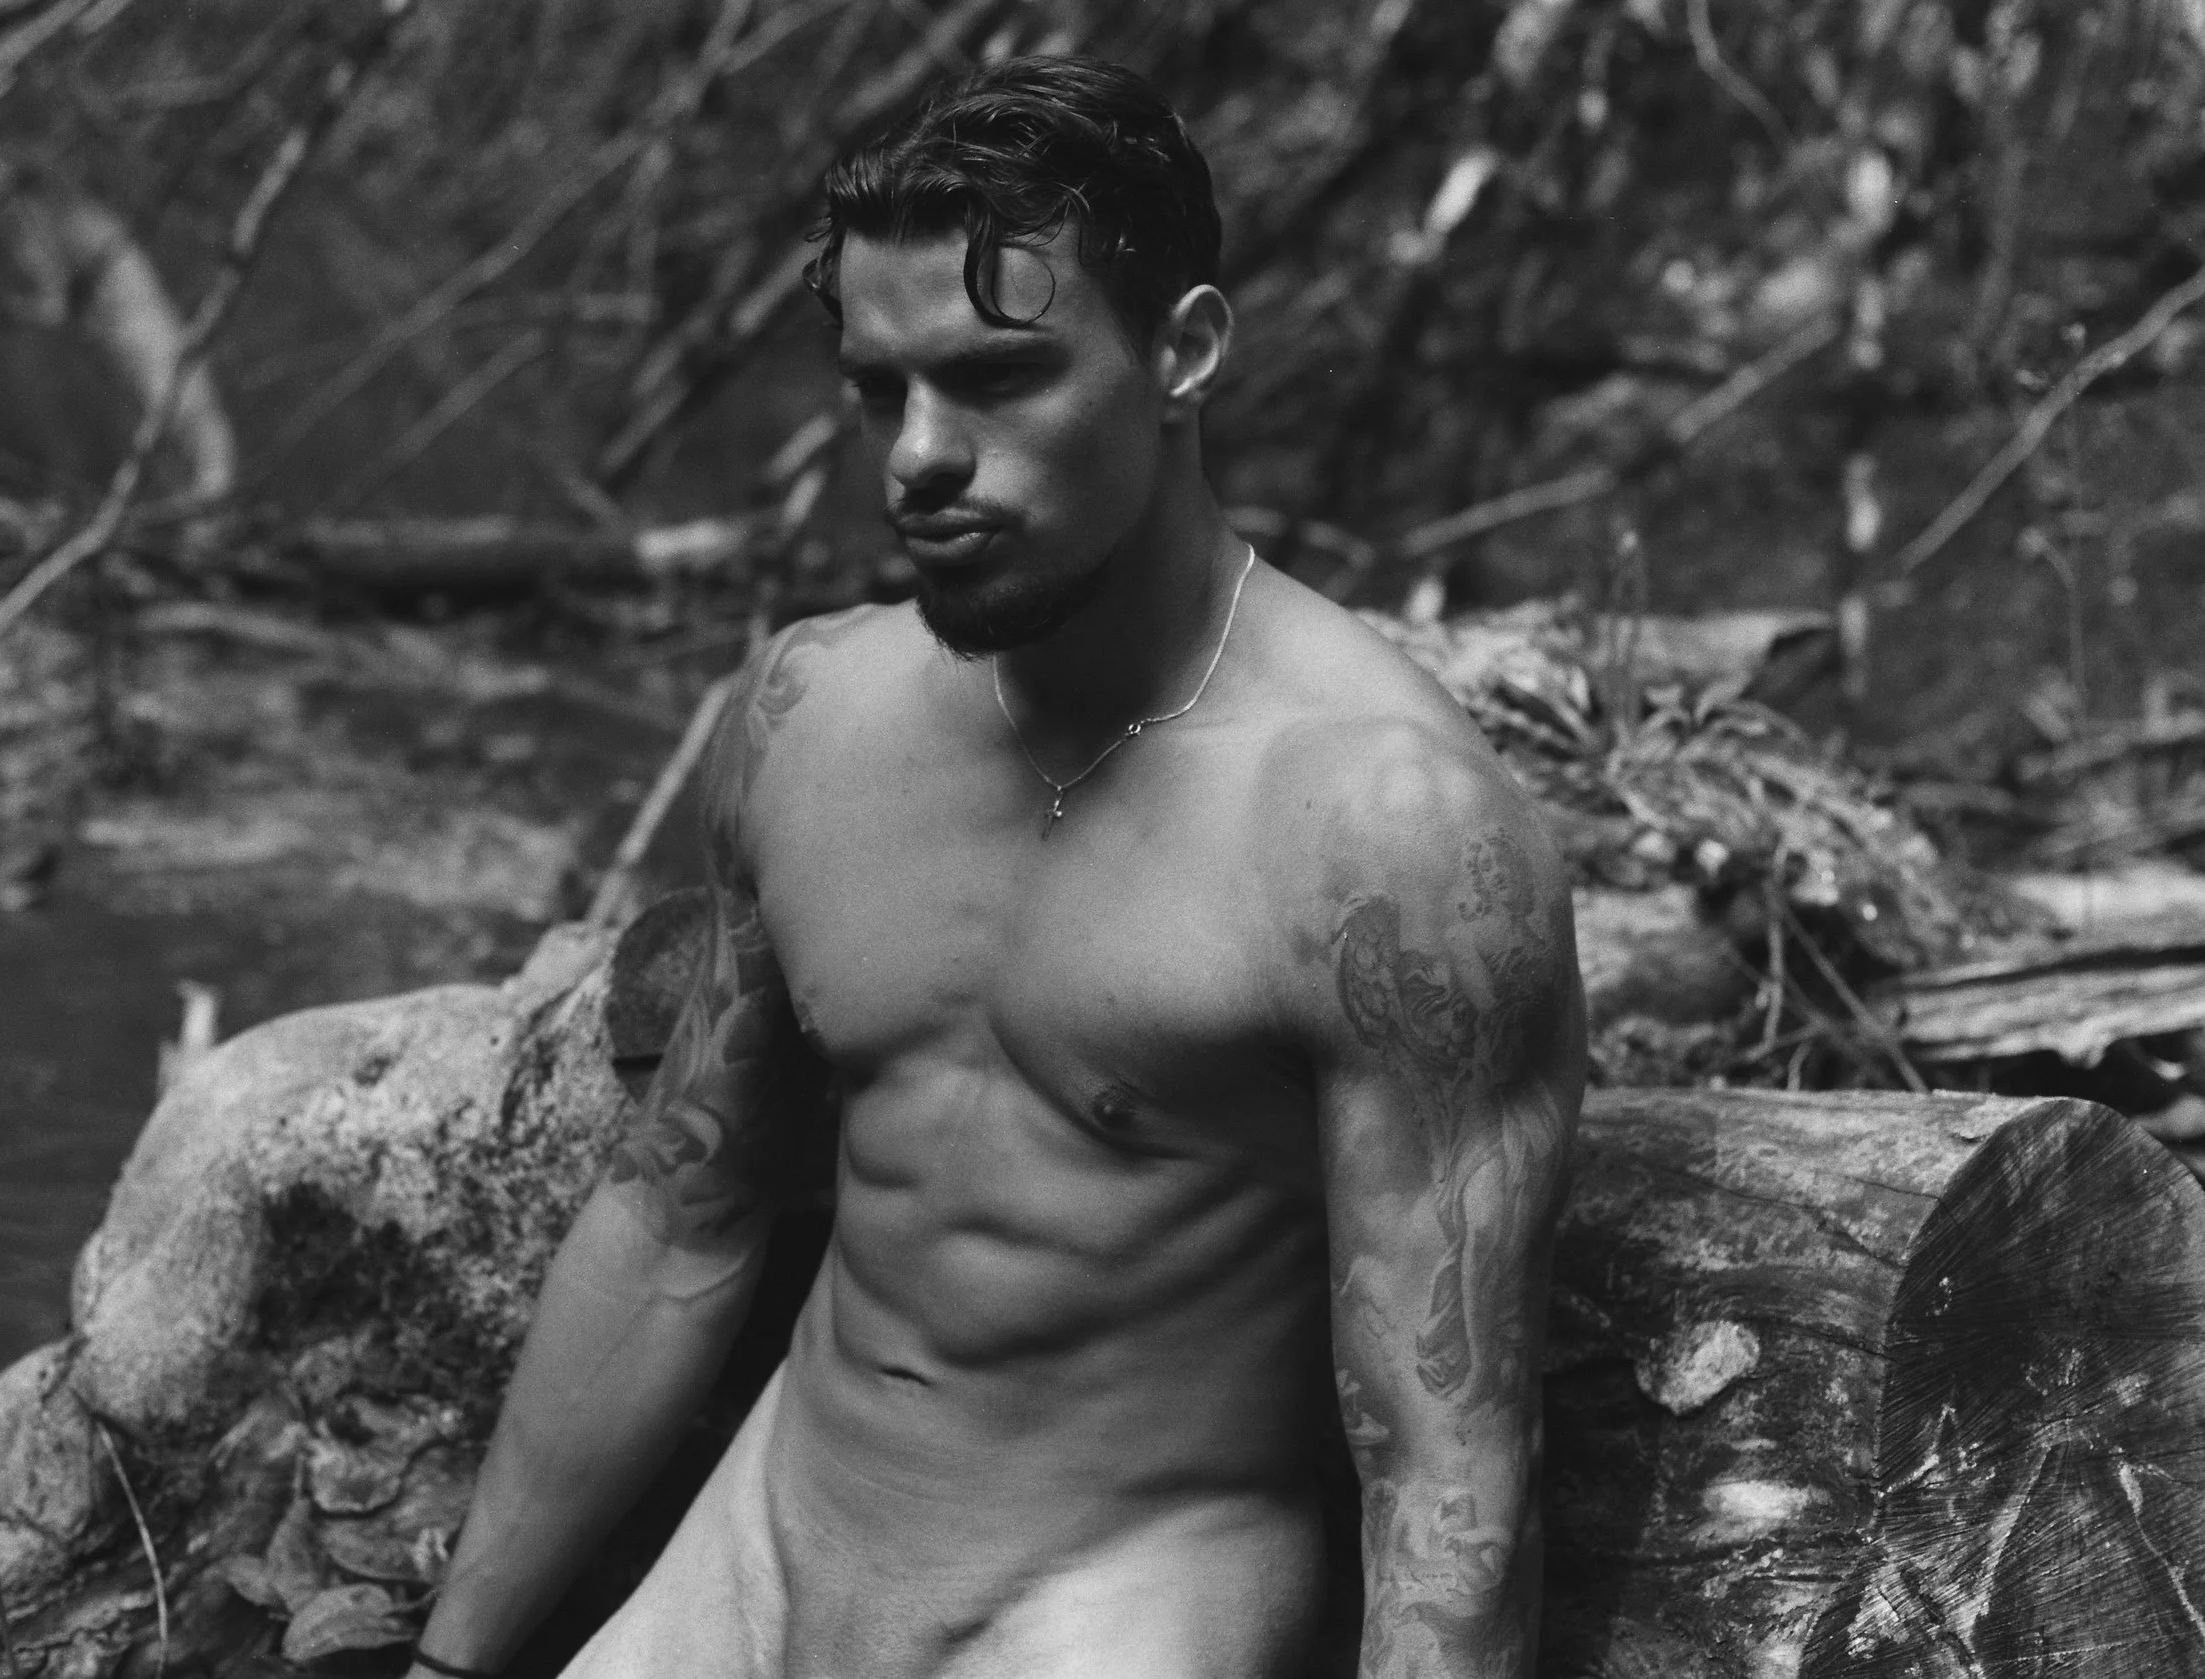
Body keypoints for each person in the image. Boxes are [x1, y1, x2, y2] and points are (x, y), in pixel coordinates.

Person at [408, 54, 1584, 1679]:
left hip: (1107, 1606)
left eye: (997, 377)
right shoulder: (810, 714)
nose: (918, 456)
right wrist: (451, 1662)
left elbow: (1448, 1478)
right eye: (879, 390)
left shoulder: (1388, 837)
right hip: (756, 1561)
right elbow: (681, 1219)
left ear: (1184, 353)